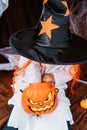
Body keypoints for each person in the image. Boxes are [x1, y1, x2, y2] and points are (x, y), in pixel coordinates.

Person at [3, 55, 80, 130]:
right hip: (27, 89)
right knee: (17, 120)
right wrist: (36, 82)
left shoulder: (70, 53)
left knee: (59, 120)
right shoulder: (26, 50)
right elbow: (27, 69)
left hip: (54, 91)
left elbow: (71, 72)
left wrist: (54, 76)